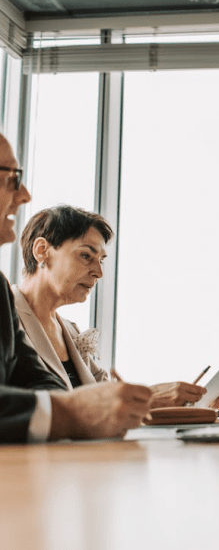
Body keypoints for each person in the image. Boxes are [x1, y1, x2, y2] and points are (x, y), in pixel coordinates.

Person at [0, 131, 152, 443]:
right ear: (42, 251)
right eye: (11, 178)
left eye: (101, 260)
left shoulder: (1, 291)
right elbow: (70, 406)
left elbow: (48, 387)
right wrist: (71, 414)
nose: (25, 194)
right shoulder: (12, 305)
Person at [13, 205, 219, 410]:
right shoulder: (7, 318)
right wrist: (150, 397)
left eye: (101, 260)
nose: (99, 272)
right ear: (42, 251)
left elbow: (105, 404)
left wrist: (187, 406)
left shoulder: (70, 332)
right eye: (86, 256)